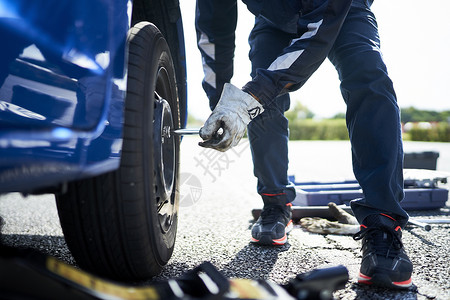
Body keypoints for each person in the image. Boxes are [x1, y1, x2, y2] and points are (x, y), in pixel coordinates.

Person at [195, 0, 413, 289]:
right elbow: (213, 32)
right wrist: (221, 101)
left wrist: (253, 96)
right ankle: (275, 203)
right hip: (273, 18)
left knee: (369, 76)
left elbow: (319, 30)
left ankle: (383, 224)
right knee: (260, 102)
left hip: (343, 10)